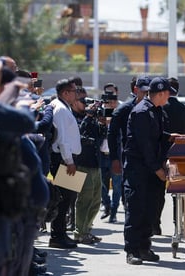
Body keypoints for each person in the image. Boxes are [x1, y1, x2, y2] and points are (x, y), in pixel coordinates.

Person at [123, 77, 173, 265]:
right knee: (136, 210)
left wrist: (170, 138)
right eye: (168, 94)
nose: (169, 97)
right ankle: (132, 250)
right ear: (160, 94)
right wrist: (157, 169)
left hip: (152, 168)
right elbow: (145, 144)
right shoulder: (142, 112)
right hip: (139, 168)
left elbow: (157, 136)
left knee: (150, 210)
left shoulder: (157, 110)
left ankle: (144, 247)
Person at [48, 78, 81, 249]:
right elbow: (62, 140)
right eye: (74, 91)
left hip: (66, 158)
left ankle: (61, 233)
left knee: (67, 199)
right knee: (63, 199)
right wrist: (69, 161)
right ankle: (57, 235)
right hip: (63, 159)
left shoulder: (63, 106)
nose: (77, 94)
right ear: (65, 93)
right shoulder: (60, 108)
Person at [107, 75, 147, 211]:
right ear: (136, 90)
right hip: (129, 159)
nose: (147, 95)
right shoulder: (123, 109)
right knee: (129, 198)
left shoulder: (156, 109)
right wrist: (114, 159)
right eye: (144, 92)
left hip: (149, 160)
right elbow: (112, 134)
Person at [71, 87, 105, 244]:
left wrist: (100, 121)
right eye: (83, 101)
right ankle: (79, 232)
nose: (86, 104)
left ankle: (87, 229)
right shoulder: (72, 116)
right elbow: (78, 134)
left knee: (96, 200)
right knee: (84, 199)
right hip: (82, 163)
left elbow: (100, 135)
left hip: (95, 163)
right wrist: (89, 116)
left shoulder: (89, 117)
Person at [163, 77, 185, 230]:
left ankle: (155, 224)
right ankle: (179, 223)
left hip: (162, 153)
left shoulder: (160, 108)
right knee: (180, 190)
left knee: (157, 191)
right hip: (182, 155)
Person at [99, 82, 121, 223]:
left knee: (117, 185)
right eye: (107, 94)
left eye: (112, 94)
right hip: (102, 154)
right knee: (102, 184)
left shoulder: (122, 109)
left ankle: (113, 211)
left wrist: (113, 120)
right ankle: (106, 204)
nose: (110, 98)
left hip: (116, 154)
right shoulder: (99, 110)